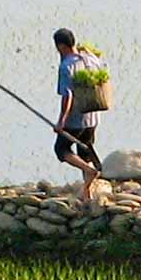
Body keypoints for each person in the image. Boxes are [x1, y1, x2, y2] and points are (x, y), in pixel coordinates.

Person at [52, 27, 101, 200]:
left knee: (61, 149)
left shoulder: (66, 66)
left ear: (61, 46)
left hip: (76, 119)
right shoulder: (91, 58)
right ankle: (87, 192)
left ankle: (90, 171)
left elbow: (68, 96)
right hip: (93, 117)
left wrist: (61, 122)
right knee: (84, 152)